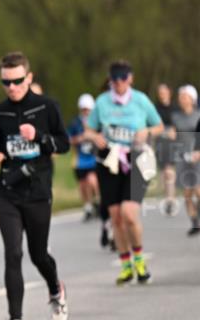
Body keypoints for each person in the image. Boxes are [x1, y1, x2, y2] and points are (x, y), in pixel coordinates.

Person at [0, 52, 70, 320]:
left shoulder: (47, 106)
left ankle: (55, 290)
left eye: (17, 81)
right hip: (8, 191)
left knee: (37, 255)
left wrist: (38, 136)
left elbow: (63, 144)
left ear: (29, 78)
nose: (12, 87)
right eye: (6, 82)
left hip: (37, 191)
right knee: (13, 253)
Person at [82, 60, 164, 285]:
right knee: (116, 217)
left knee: (129, 213)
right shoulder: (102, 102)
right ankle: (126, 264)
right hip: (109, 161)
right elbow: (88, 130)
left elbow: (159, 126)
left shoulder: (140, 100)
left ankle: (139, 259)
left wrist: (146, 131)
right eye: (115, 80)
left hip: (137, 159)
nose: (119, 84)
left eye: (123, 79)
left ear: (130, 79)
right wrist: (94, 136)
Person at [171, 85, 200, 235]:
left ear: (192, 99)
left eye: (185, 96)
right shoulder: (175, 117)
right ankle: (194, 222)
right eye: (180, 97)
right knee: (187, 193)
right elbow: (173, 135)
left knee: (198, 190)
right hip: (182, 157)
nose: (182, 99)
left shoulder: (198, 115)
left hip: (197, 156)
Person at [69, 94, 102, 223]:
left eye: (88, 109)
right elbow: (69, 139)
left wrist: (93, 137)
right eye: (84, 109)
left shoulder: (97, 122)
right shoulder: (75, 123)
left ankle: (99, 202)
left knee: (92, 181)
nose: (86, 112)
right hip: (80, 159)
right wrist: (81, 138)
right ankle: (88, 206)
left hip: (94, 158)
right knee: (83, 185)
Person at [154, 83, 178, 215]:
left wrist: (175, 131)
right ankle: (168, 195)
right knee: (164, 172)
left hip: (173, 143)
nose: (162, 94)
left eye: (164, 92)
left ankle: (170, 199)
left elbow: (180, 125)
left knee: (170, 170)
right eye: (160, 92)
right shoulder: (155, 109)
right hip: (160, 143)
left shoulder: (175, 108)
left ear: (169, 92)